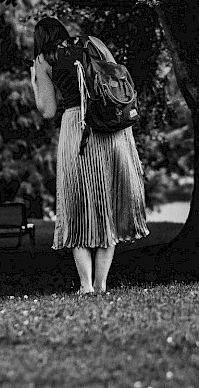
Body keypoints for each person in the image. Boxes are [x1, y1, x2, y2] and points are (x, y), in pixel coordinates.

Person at [31, 17, 149, 294]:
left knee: (77, 203)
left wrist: (35, 84)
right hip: (110, 126)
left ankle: (85, 286)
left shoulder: (43, 59)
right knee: (108, 201)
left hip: (78, 127)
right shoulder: (92, 43)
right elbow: (115, 78)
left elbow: (48, 110)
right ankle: (101, 284)